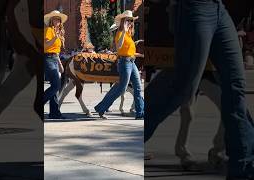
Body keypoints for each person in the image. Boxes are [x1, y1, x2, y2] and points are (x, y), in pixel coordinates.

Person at [145, 0, 254, 179]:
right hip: (194, 7)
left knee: (236, 87)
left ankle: (243, 169)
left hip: (219, 9)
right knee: (182, 88)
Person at [94, 10, 144, 119]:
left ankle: (141, 112)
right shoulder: (120, 33)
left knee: (138, 87)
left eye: (131, 20)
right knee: (122, 88)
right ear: (123, 21)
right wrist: (124, 31)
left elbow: (129, 51)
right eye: (128, 20)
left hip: (132, 61)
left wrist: (140, 55)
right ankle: (101, 108)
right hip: (124, 62)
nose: (130, 22)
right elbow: (119, 47)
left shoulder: (129, 35)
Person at [44, 10, 67, 119]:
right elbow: (45, 46)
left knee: (55, 87)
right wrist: (55, 38)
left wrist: (60, 64)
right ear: (51, 20)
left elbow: (56, 51)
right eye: (55, 19)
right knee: (56, 85)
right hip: (47, 58)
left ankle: (54, 112)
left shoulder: (57, 32)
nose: (57, 21)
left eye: (58, 19)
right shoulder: (49, 30)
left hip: (54, 59)